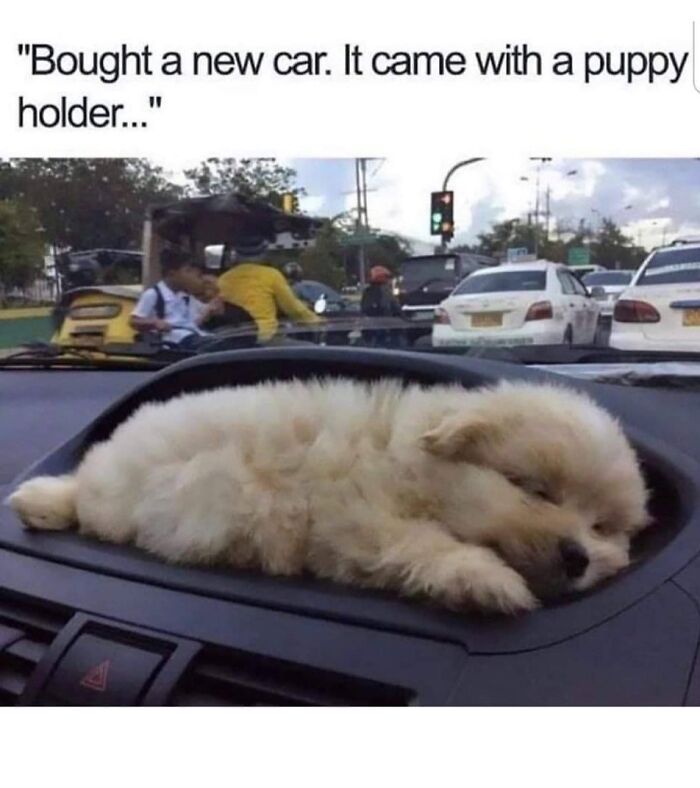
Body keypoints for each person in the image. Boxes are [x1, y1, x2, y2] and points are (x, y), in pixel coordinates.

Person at [217, 236, 321, 341]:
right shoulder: (271, 275)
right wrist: (319, 323)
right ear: (263, 253)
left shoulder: (223, 279)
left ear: (236, 255)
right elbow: (293, 309)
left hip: (232, 339)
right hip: (265, 339)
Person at [130, 248, 215, 346]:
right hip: (171, 339)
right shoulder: (153, 294)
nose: (192, 276)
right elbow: (134, 321)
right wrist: (155, 322)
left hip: (191, 334)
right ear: (172, 274)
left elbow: (192, 322)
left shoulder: (185, 297)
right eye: (188, 271)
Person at [360, 265, 404, 347]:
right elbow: (393, 307)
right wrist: (402, 317)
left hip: (369, 327)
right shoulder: (385, 290)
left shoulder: (367, 291)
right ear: (382, 277)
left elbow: (363, 308)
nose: (389, 280)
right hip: (386, 327)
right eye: (387, 277)